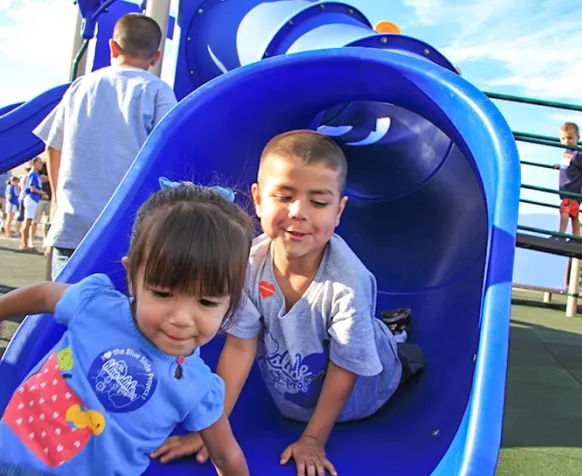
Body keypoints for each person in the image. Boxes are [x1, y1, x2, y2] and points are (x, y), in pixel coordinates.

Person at [152, 131, 425, 475]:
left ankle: (397, 337)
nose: (298, 212)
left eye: (319, 202)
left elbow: (347, 368)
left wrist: (313, 438)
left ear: (339, 211)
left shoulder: (347, 285)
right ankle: (388, 327)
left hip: (366, 396)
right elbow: (240, 346)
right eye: (284, 196)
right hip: (297, 389)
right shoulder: (251, 265)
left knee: (395, 358)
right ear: (258, 199)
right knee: (359, 335)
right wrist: (211, 429)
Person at [0, 184, 252, 476]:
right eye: (162, 293)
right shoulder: (96, 305)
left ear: (230, 303)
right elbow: (44, 294)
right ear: (132, 278)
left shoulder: (197, 387)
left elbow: (226, 455)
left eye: (206, 301)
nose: (181, 318)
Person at [33, 13, 177, 279]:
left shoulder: (80, 87)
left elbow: (54, 146)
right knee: (118, 311)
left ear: (112, 46)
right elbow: (169, 145)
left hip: (73, 223)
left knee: (62, 307)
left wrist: (58, 199)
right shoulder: (157, 90)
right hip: (127, 228)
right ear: (156, 57)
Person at [553, 122, 582, 237]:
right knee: (574, 214)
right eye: (563, 138)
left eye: (570, 138)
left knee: (564, 210)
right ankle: (576, 236)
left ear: (577, 138)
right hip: (566, 188)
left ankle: (561, 234)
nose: (567, 141)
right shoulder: (567, 153)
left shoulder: (579, 153)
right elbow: (570, 165)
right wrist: (560, 166)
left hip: (573, 189)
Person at [20, 157, 48, 251]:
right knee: (28, 222)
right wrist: (42, 193)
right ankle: (24, 244)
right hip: (31, 199)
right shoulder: (32, 174)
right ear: (34, 163)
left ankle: (26, 243)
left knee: (30, 221)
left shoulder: (36, 174)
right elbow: (32, 188)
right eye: (39, 163)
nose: (41, 165)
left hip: (35, 199)